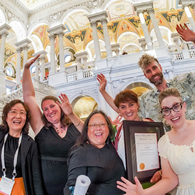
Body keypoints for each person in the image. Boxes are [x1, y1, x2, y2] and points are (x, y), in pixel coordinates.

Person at [22, 55, 84, 195]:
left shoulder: (74, 124)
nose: (49, 111)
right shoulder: (41, 128)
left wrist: (71, 114)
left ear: (60, 106)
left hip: (74, 184)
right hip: (48, 187)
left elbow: (89, 132)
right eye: (45, 109)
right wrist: (26, 69)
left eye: (52, 106)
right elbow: (29, 96)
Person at [117, 88, 195, 195]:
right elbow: (170, 179)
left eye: (176, 106)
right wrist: (143, 193)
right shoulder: (164, 142)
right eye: (166, 110)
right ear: (163, 114)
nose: (172, 113)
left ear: (184, 106)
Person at [64, 110, 126, 195]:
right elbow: (72, 188)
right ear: (87, 129)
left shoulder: (112, 146)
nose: (98, 128)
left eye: (102, 124)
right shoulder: (80, 152)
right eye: (93, 125)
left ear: (108, 127)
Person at [0, 99, 45, 195]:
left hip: (19, 189)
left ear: (26, 119)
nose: (18, 116)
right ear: (6, 117)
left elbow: (36, 176)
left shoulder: (30, 144)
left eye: (22, 113)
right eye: (13, 111)